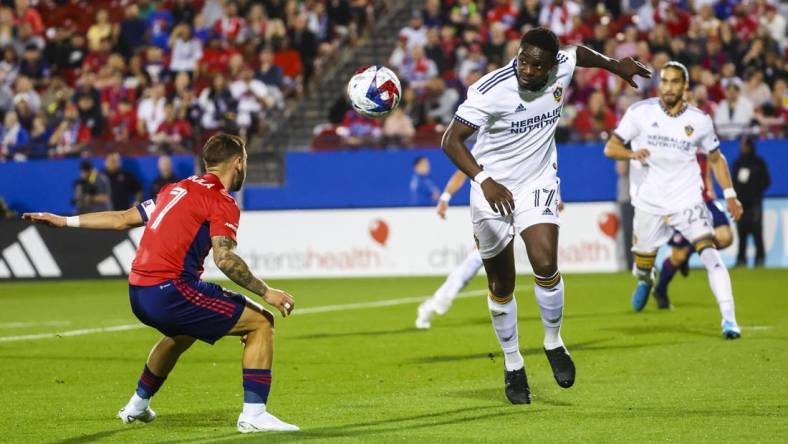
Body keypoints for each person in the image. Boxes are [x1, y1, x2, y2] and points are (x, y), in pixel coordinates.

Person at [23, 134, 299, 433]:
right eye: (245, 159)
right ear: (237, 162)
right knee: (260, 322)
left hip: (138, 291)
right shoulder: (220, 200)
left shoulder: (175, 189)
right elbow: (225, 259)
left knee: (183, 334)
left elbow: (122, 218)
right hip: (170, 290)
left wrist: (65, 221)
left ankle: (137, 405)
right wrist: (266, 291)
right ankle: (255, 415)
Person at [442, 26, 651, 404]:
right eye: (522, 60)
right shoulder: (490, 90)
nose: (526, 69)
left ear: (551, 66)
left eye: (536, 65)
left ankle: (553, 343)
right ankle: (513, 364)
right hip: (491, 189)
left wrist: (613, 66)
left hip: (537, 181)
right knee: (501, 285)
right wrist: (484, 180)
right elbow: (450, 140)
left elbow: (577, 52)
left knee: (544, 261)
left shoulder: (563, 65)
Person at [604, 61, 744, 339]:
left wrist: (730, 194)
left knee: (710, 252)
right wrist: (631, 154)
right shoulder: (640, 113)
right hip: (649, 202)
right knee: (642, 267)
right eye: (664, 81)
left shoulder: (699, 120)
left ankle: (729, 321)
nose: (668, 87)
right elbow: (611, 147)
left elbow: (716, 158)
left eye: (674, 82)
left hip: (688, 201)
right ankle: (647, 278)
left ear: (685, 86)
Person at [652, 151, 736, 309]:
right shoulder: (671, 140)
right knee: (679, 256)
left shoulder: (703, 135)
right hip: (681, 203)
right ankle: (660, 290)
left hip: (705, 200)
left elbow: (708, 170)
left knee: (725, 236)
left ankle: (690, 250)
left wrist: (713, 195)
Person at [415, 170, 483, 329]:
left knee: (473, 262)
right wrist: (445, 197)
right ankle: (439, 301)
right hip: (489, 213)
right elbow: (462, 171)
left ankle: (432, 305)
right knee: (475, 261)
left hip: (504, 212)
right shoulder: (484, 151)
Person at [732, 136, 770, 267]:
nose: (742, 148)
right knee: (741, 233)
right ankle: (741, 259)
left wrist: (755, 191)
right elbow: (733, 183)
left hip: (755, 203)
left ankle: (760, 259)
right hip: (741, 203)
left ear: (750, 146)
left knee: (757, 232)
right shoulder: (738, 163)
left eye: (744, 146)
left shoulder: (759, 163)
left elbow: (766, 181)